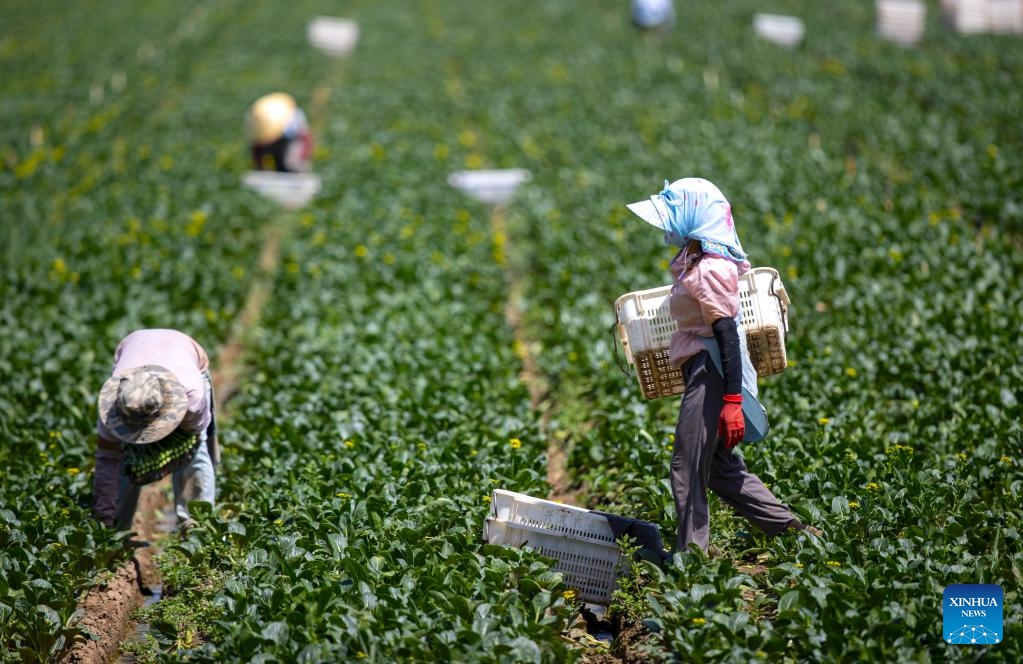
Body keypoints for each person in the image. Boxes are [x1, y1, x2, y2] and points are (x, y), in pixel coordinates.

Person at [626, 178, 820, 553]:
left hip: (711, 370)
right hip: (702, 369)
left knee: (687, 467)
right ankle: (795, 532)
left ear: (695, 217)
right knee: (717, 468)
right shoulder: (695, 258)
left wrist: (732, 401)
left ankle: (691, 557)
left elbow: (727, 334)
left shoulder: (711, 268)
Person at [93, 329, 218, 531]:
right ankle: (114, 529)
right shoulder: (110, 409)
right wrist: (104, 514)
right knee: (126, 460)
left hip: (185, 352)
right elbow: (107, 459)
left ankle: (196, 524)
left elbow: (193, 443)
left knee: (196, 455)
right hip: (135, 346)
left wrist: (167, 460)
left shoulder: (192, 398)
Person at [246, 92, 313, 173]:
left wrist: (302, 157)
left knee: (292, 164)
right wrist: (260, 167)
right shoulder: (260, 122)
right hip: (277, 138)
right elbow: (257, 147)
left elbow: (306, 140)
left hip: (293, 140)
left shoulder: (293, 118)